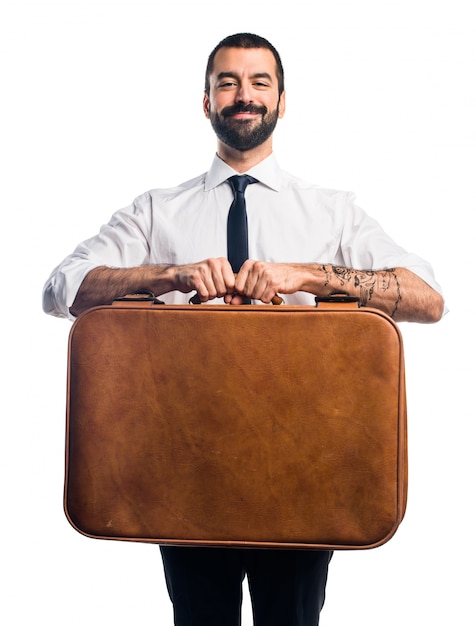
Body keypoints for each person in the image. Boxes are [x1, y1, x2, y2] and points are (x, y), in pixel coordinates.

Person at [43, 32, 445, 626]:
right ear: (206, 102)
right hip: (184, 464)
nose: (244, 95)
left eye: (259, 82)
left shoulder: (332, 212)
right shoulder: (156, 210)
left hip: (303, 465)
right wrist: (168, 275)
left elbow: (426, 297)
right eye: (227, 82)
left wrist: (306, 275)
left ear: (283, 101)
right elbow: (59, 288)